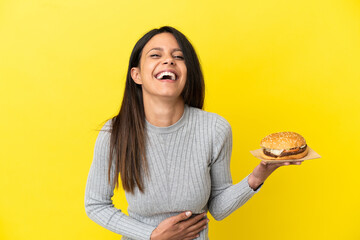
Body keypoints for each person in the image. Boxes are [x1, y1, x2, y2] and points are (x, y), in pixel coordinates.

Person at [84, 26, 302, 240]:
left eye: (178, 57)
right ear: (137, 75)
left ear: (188, 73)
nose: (169, 60)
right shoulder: (115, 132)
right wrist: (151, 235)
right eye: (155, 55)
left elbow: (217, 207)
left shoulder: (215, 129)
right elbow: (95, 204)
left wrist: (257, 177)